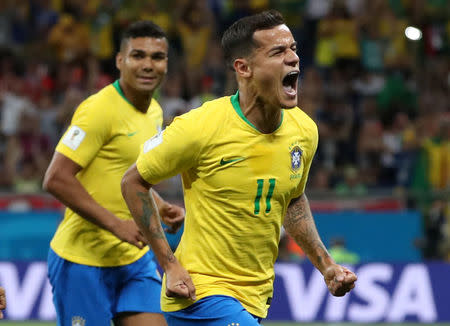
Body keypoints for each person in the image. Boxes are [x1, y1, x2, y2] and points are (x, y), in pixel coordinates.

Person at [121, 10, 357, 326]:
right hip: (199, 294)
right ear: (244, 68)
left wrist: (327, 266)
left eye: (294, 49)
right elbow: (133, 181)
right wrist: (169, 264)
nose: (293, 59)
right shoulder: (200, 127)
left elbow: (293, 201)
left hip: (256, 297)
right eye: (278, 52)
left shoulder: (304, 131)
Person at [43, 21, 184, 326]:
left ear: (166, 64)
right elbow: (56, 178)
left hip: (133, 259)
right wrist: (116, 225)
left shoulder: (155, 112)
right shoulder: (98, 110)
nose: (148, 65)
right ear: (121, 61)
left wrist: (159, 205)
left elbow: (125, 172)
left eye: (157, 57)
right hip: (83, 262)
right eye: (138, 55)